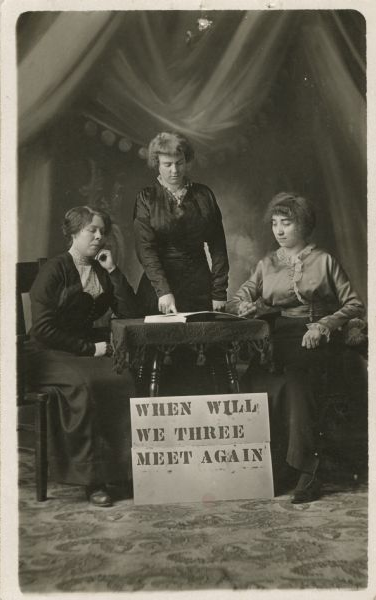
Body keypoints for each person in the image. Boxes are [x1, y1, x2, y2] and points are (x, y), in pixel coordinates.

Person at [226, 192, 365, 503]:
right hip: (279, 335)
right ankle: (271, 468)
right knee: (253, 381)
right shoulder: (267, 263)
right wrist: (244, 306)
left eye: (285, 223)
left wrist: (324, 325)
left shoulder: (324, 261)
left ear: (302, 225)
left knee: (297, 380)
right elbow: (240, 296)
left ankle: (307, 469)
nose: (278, 230)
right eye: (275, 224)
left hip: (316, 336)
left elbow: (354, 304)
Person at [27, 206, 141, 507]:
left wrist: (114, 271)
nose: (99, 236)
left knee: (123, 377)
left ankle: (121, 473)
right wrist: (90, 349)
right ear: (74, 232)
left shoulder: (101, 269)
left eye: (102, 231)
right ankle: (92, 481)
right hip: (46, 352)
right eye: (92, 230)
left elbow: (130, 314)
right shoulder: (55, 269)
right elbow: (41, 328)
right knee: (87, 386)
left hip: (81, 350)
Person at [133, 132, 229, 315]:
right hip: (159, 289)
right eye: (167, 165)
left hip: (199, 288)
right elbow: (145, 249)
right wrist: (163, 292)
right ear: (156, 164)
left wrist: (219, 292)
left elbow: (218, 246)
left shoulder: (203, 195)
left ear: (187, 161)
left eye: (179, 163)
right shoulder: (146, 198)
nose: (174, 170)